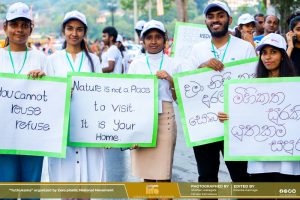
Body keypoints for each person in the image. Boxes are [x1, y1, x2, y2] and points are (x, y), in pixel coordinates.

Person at [185, 1, 256, 184]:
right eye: (210, 16)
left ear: (229, 19)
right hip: (204, 125)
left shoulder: (245, 47)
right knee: (207, 178)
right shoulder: (197, 50)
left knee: (241, 177)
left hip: (235, 124)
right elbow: (186, 88)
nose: (215, 20)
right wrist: (202, 67)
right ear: (206, 22)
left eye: (220, 15)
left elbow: (252, 87)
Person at [218, 33, 300, 182]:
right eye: (264, 53)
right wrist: (228, 117)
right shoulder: (252, 87)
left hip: (288, 157)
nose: (267, 57)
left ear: (283, 55)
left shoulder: (295, 86)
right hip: (260, 158)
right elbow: (246, 116)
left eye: (273, 52)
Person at [47, 10, 105, 182]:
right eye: (70, 28)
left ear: (84, 32)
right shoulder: (53, 60)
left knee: (88, 181)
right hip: (62, 129)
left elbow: (103, 95)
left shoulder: (93, 60)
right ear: (63, 30)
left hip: (89, 128)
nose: (74, 33)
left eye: (79, 29)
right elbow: (47, 95)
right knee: (66, 183)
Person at [0, 2, 47, 199]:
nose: (19, 29)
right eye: (14, 24)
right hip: (4, 138)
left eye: (24, 24)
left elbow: (54, 95)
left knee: (30, 192)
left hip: (33, 139)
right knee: (6, 191)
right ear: (5, 27)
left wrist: (45, 79)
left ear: (31, 28)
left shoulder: (41, 58)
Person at [128, 20, 178, 184]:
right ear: (143, 40)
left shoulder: (174, 63)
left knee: (164, 174)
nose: (154, 41)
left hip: (165, 118)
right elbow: (128, 96)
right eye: (149, 37)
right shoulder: (136, 64)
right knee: (147, 175)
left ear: (165, 39)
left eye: (158, 37)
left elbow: (180, 99)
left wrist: (170, 80)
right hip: (142, 120)